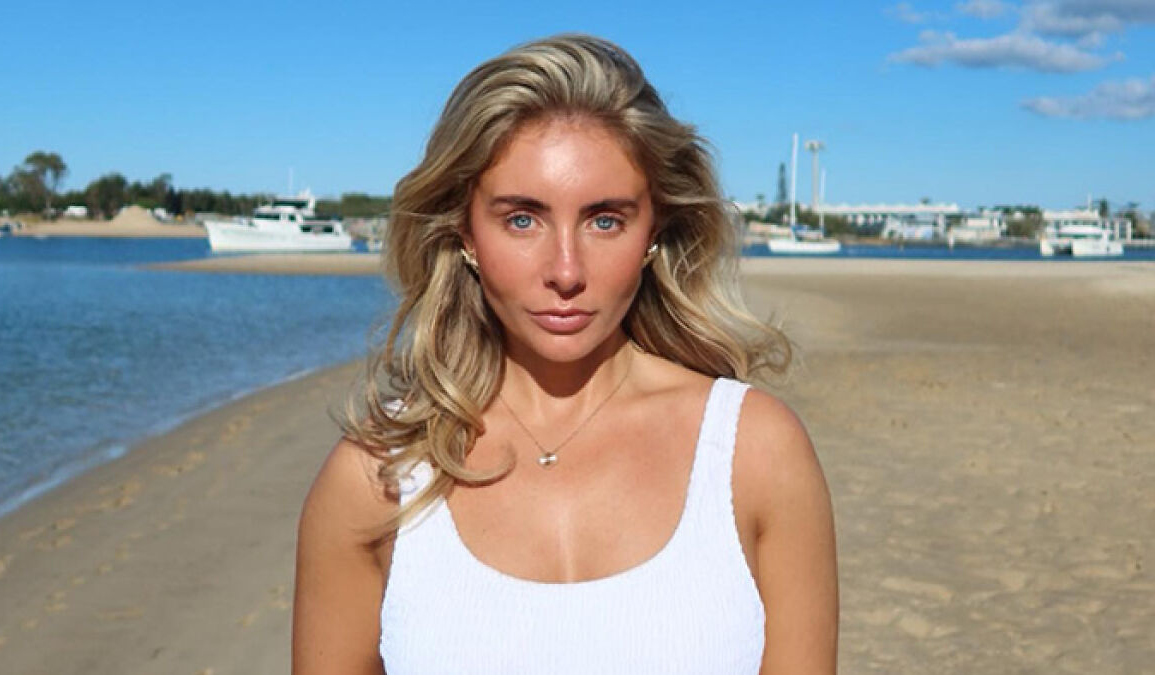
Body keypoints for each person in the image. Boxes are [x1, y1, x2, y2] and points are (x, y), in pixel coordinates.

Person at [293, 34, 837, 674]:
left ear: (653, 231)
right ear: (464, 230)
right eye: (522, 218)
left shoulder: (754, 452)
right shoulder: (376, 477)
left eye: (605, 219)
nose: (566, 270)